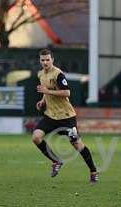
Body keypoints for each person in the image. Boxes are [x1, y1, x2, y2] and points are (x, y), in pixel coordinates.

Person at [31, 49, 99, 183]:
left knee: (77, 144)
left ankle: (93, 171)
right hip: (51, 116)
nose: (45, 62)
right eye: (42, 60)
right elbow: (46, 92)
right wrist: (42, 100)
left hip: (66, 117)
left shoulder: (58, 74)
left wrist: (47, 91)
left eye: (47, 59)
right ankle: (56, 161)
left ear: (52, 60)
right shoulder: (41, 74)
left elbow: (67, 93)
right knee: (36, 137)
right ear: (40, 61)